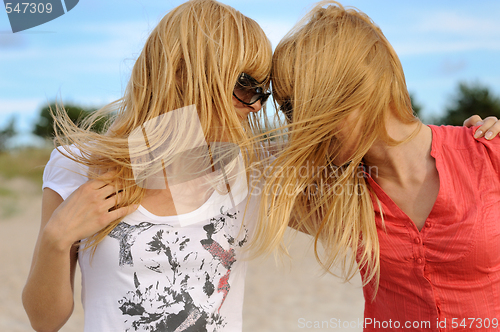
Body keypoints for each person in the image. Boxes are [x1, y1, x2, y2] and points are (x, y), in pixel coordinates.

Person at [22, 1, 272, 331]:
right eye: (245, 84)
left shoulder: (251, 172)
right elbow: (44, 321)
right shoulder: (78, 165)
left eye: (262, 91)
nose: (255, 105)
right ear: (185, 72)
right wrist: (56, 239)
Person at [255, 1, 500, 330]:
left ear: (358, 87)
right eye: (290, 111)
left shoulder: (488, 154)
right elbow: (200, 161)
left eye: (308, 107)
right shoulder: (334, 192)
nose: (301, 130)